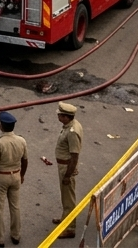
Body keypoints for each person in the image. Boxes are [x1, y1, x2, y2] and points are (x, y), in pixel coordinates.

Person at [0, 111, 27, 247]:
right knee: (15, 207)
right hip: (16, 175)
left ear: (1, 126)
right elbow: (25, 161)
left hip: (2, 177)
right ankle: (16, 235)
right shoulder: (21, 140)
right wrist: (22, 175)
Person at [53, 102, 82, 240]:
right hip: (64, 166)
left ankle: (70, 227)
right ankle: (65, 218)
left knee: (68, 198)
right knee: (65, 196)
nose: (58, 116)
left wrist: (67, 175)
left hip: (66, 168)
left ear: (66, 117)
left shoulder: (72, 132)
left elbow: (74, 156)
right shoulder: (70, 125)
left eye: (60, 115)